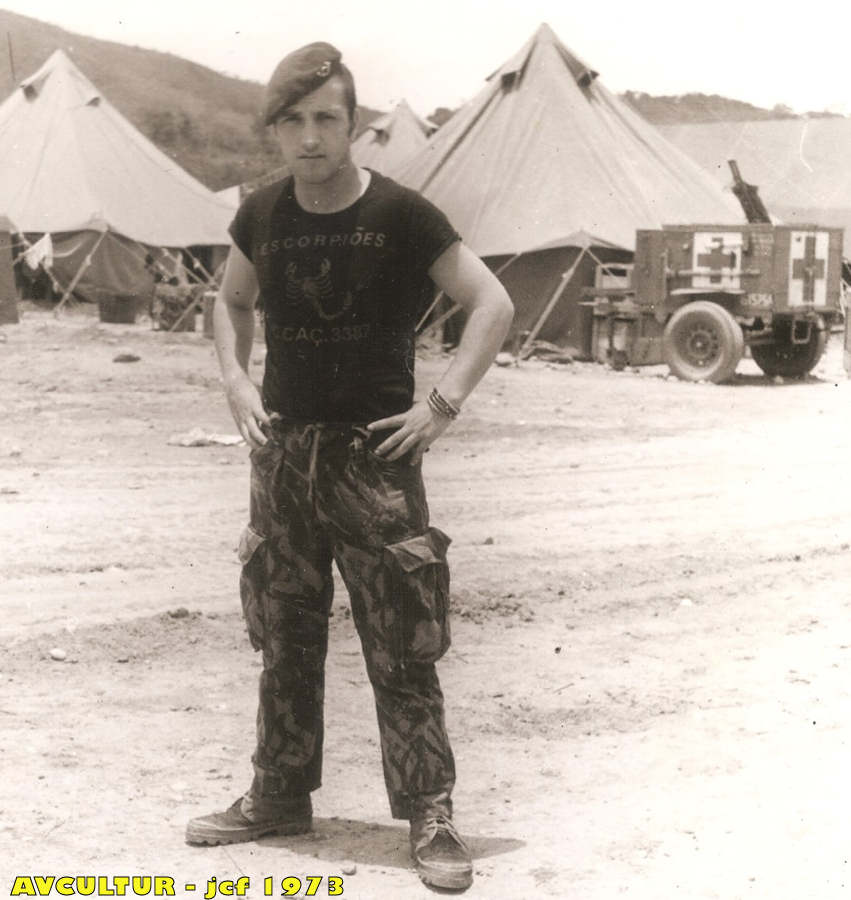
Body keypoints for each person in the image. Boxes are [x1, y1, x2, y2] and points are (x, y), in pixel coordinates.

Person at [185, 41, 513, 892]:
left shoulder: (401, 213)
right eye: (292, 120)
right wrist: (235, 381)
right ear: (275, 128)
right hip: (284, 455)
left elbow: (492, 302)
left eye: (325, 119)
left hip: (374, 460)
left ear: (353, 124)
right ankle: (278, 795)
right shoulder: (261, 213)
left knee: (402, 646)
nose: (309, 137)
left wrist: (441, 406)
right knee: (283, 637)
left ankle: (430, 812)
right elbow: (230, 300)